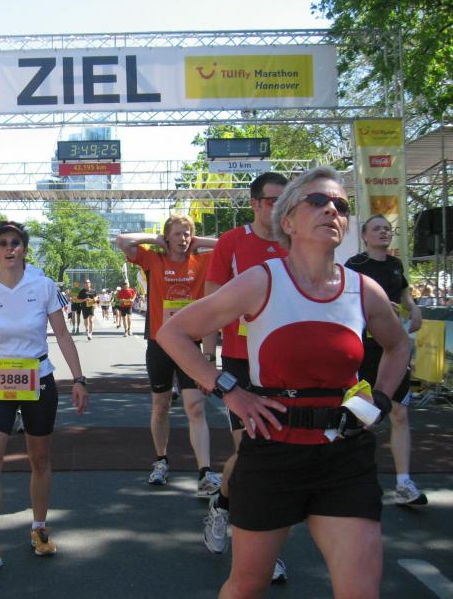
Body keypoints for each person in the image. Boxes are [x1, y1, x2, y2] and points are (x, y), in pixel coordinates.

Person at [157, 166, 410, 599]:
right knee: (247, 586)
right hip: (273, 452)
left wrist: (381, 401)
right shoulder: (262, 280)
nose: (331, 209)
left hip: (344, 455)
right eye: (318, 200)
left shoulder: (363, 289)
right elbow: (173, 333)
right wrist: (228, 389)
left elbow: (399, 345)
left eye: (340, 205)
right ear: (288, 222)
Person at [0, 221, 88, 577]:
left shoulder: (43, 286)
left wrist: (79, 379)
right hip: (0, 382)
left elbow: (62, 334)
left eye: (15, 243)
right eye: (2, 243)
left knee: (40, 459)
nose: (9, 249)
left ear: (24, 250)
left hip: (39, 379)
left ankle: (39, 527)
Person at [201, 172, 290, 584]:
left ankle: (223, 503)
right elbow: (211, 303)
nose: (281, 207)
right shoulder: (232, 242)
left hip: (286, 362)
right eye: (273, 201)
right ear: (254, 204)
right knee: (255, 452)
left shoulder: (297, 241)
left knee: (273, 453)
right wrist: (207, 360)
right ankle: (261, 551)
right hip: (240, 361)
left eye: (287, 200)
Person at [116, 217, 220, 493]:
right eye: (177, 234)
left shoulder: (202, 261)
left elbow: (228, 246)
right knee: (161, 406)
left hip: (190, 344)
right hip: (160, 344)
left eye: (187, 234)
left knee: (195, 407)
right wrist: (154, 240)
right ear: (167, 237)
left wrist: (199, 242)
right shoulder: (153, 260)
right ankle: (161, 461)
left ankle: (205, 472)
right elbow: (122, 240)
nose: (183, 239)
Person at [345, 214, 427, 506]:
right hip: (365, 348)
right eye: (377, 229)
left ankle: (404, 483)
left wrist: (413, 308)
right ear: (365, 236)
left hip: (393, 347)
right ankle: (347, 481)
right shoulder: (354, 265)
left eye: (387, 229)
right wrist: (376, 306)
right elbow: (343, 298)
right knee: (361, 414)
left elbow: (404, 291)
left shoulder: (395, 264)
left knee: (400, 413)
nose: (383, 232)